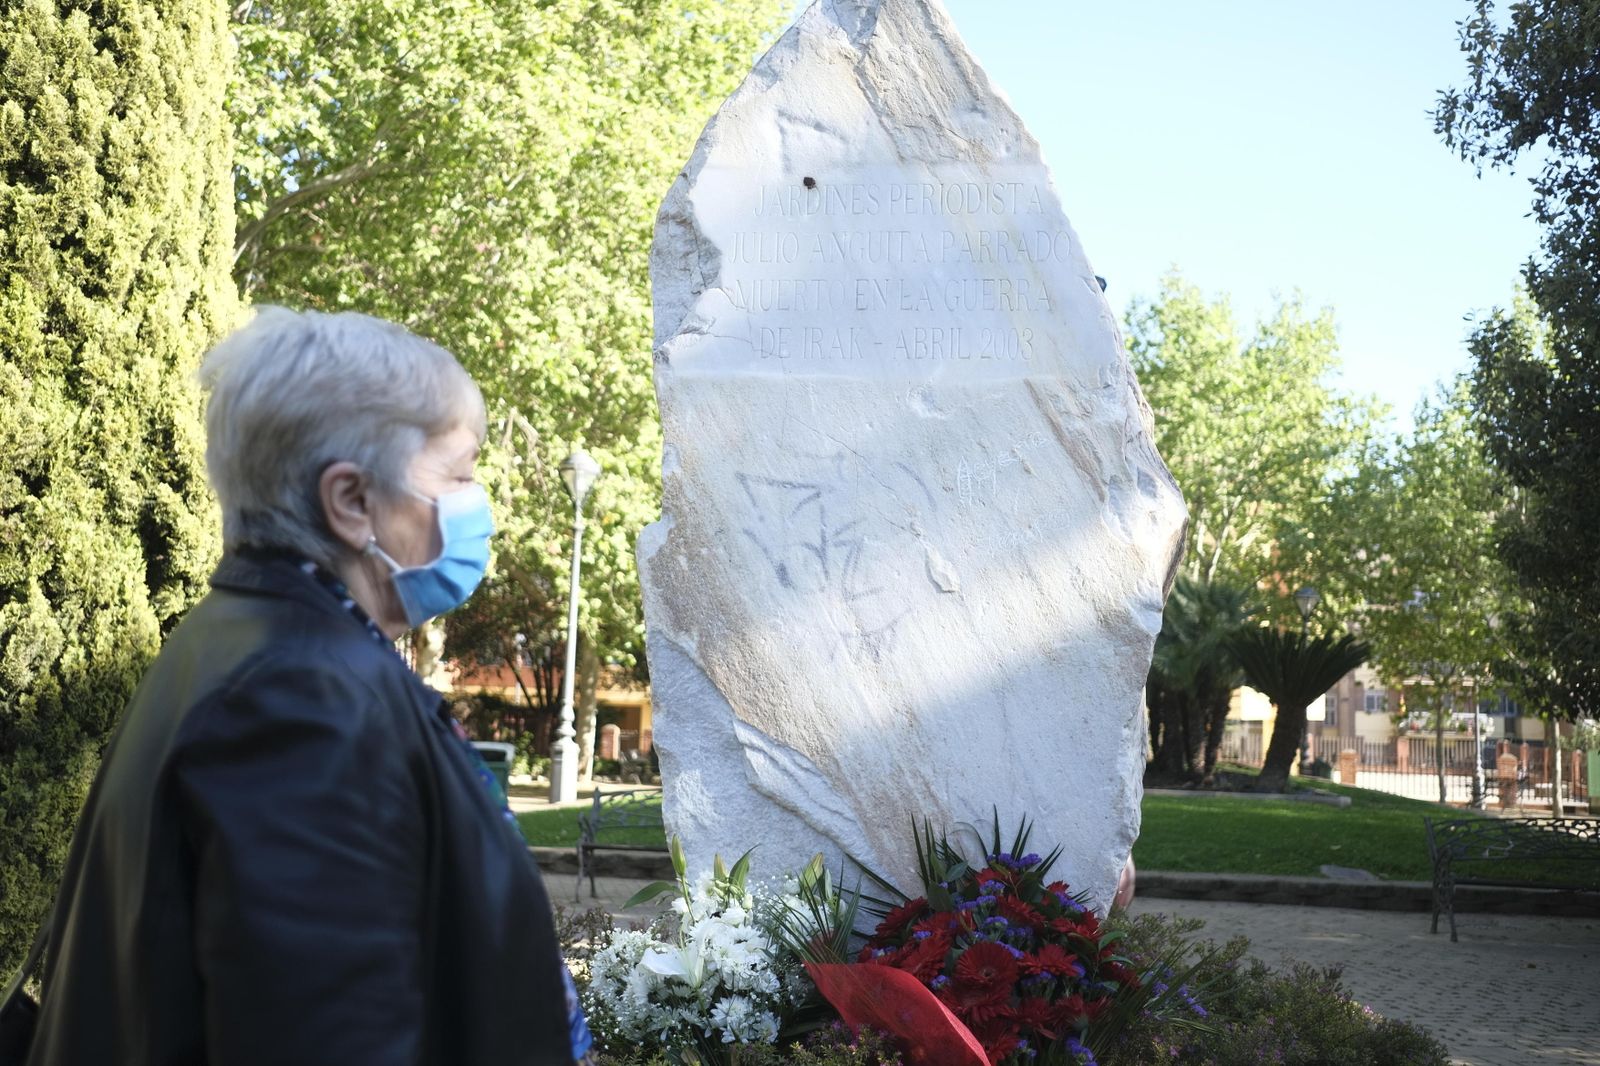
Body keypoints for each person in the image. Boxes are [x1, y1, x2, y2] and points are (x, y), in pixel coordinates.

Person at [24, 308, 582, 1065]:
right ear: (351, 501)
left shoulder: (241, 646)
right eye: (459, 473)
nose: (476, 502)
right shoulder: (303, 700)